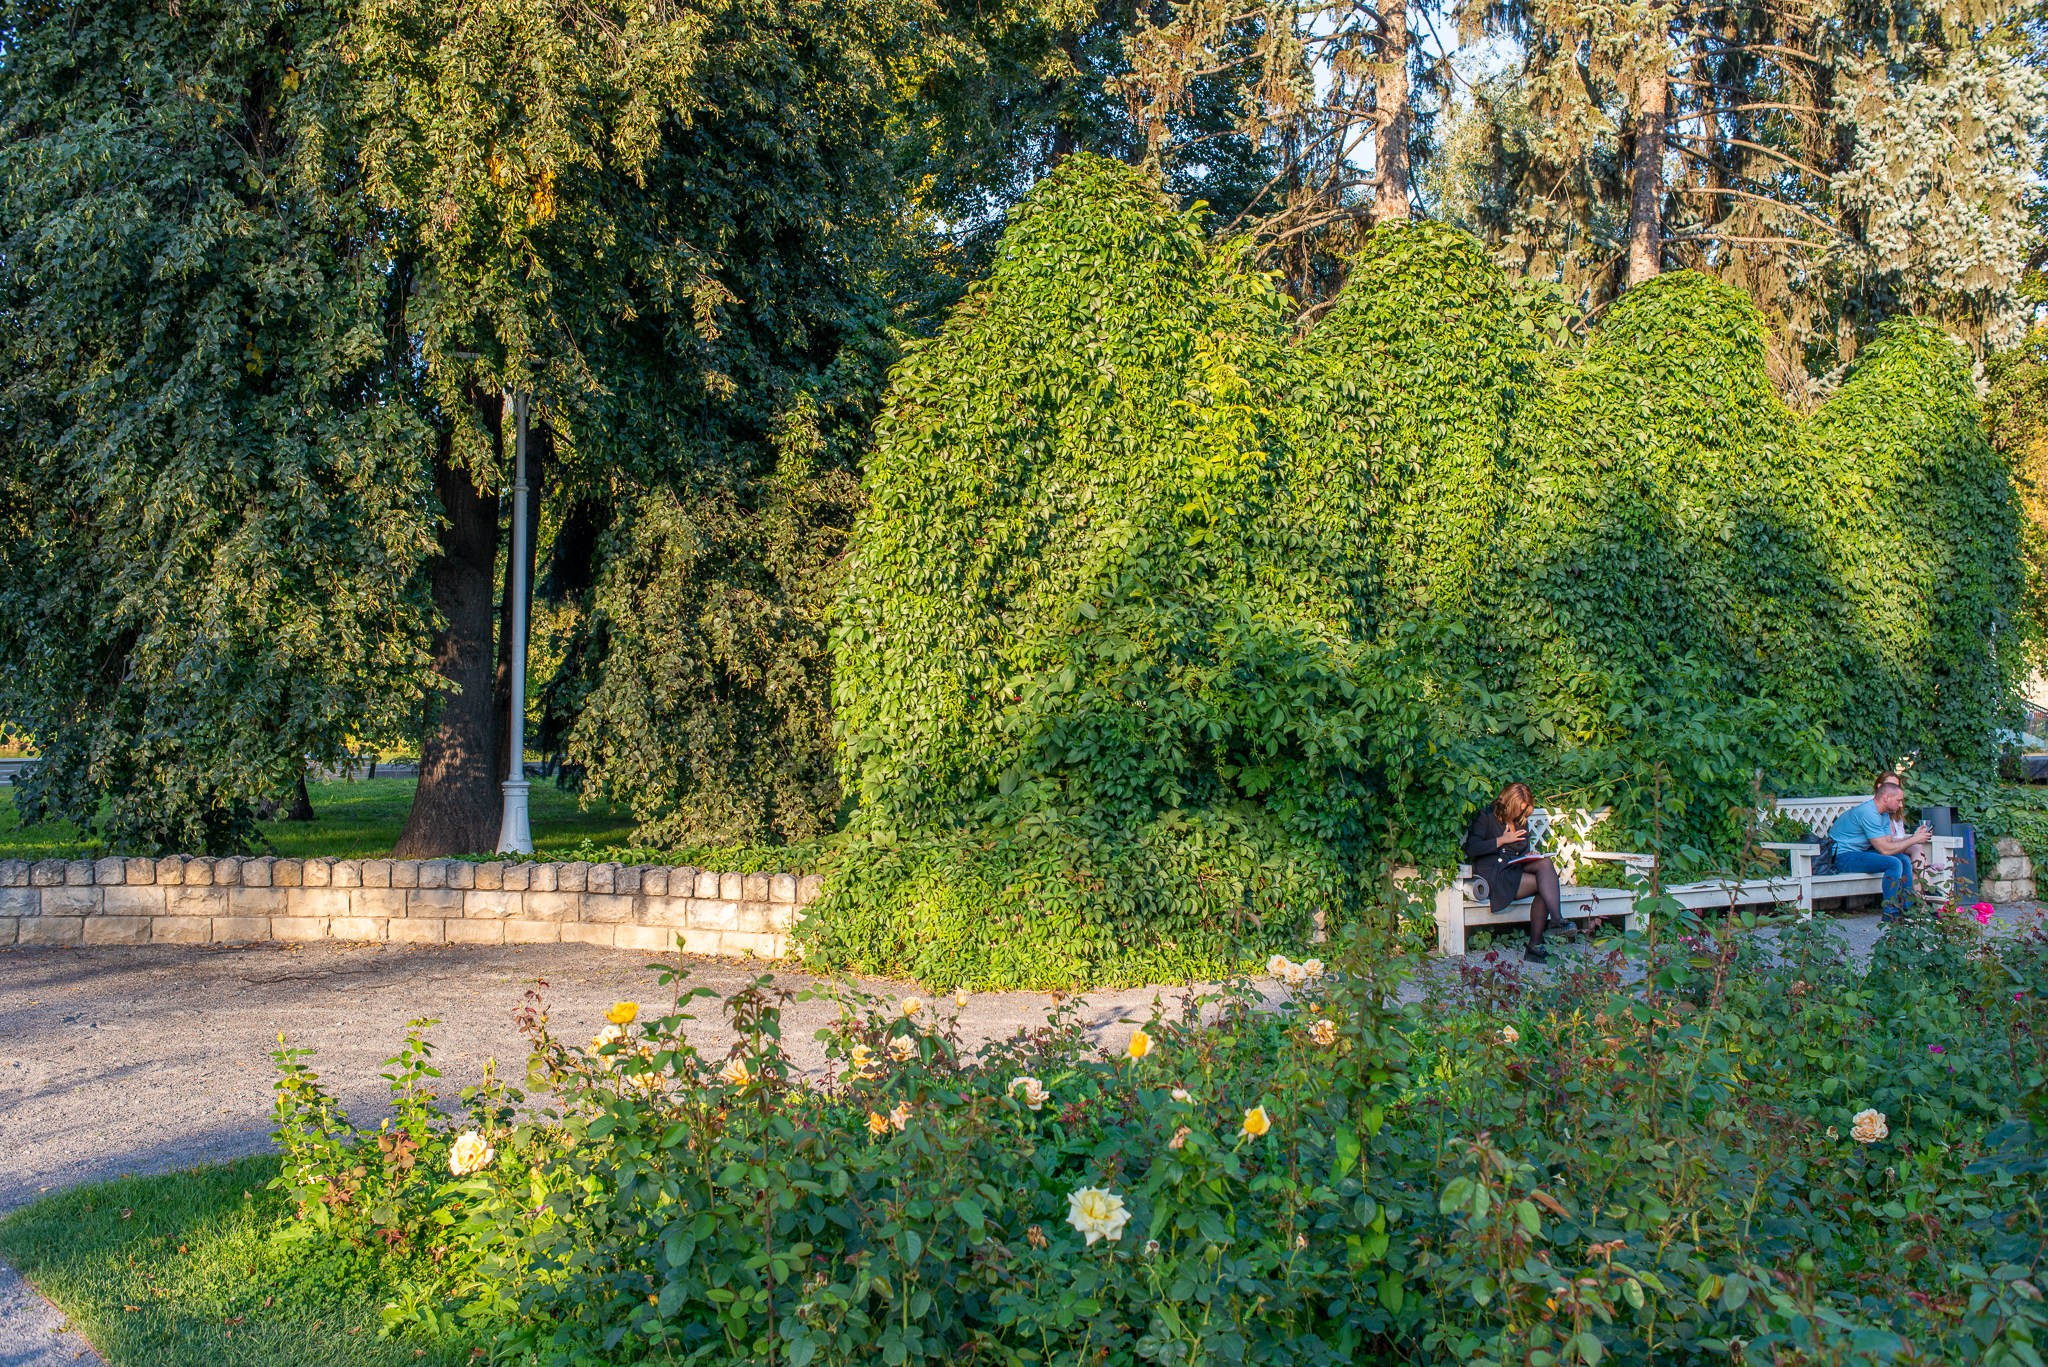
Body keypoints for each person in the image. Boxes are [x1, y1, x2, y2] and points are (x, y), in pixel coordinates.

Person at [1462, 781, 1576, 962]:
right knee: (1544, 887)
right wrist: (1501, 840)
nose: (1520, 814)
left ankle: (1555, 922)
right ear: (1508, 802)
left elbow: (1521, 851)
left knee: (1545, 863)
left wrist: (1529, 855)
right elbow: (1472, 849)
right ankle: (1537, 942)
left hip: (1513, 868)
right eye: (1518, 809)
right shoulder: (1487, 815)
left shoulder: (1520, 821)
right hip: (1493, 873)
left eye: (1524, 810)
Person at [1829, 772, 1932, 919]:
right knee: (1893, 863)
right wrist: (1914, 839)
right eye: (1899, 800)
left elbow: (1890, 844)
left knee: (1903, 859)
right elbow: (1884, 850)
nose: (1901, 805)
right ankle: (1891, 913)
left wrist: (1914, 838)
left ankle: (1908, 908)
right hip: (1841, 857)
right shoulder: (1868, 813)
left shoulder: (1883, 814)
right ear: (1886, 798)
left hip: (1859, 853)